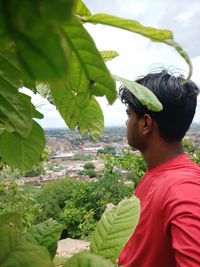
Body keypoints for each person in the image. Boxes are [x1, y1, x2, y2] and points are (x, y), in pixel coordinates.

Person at [118, 69, 200, 267]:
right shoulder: (161, 176)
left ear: (146, 123)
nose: (127, 122)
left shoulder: (182, 188)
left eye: (130, 115)